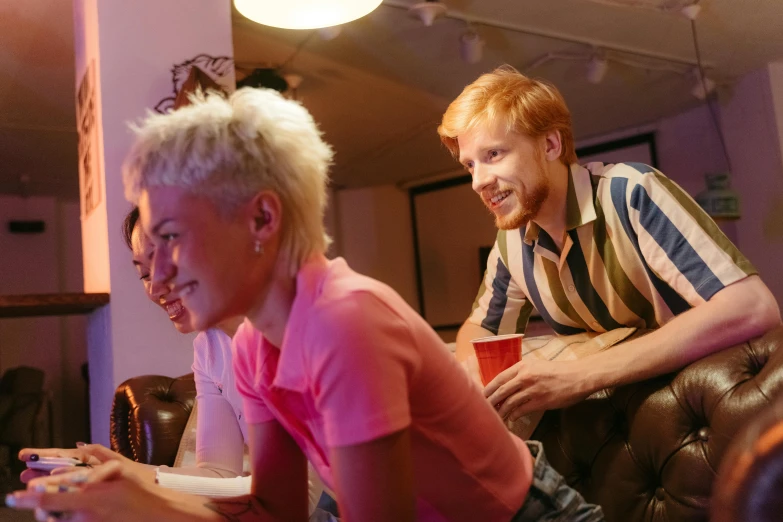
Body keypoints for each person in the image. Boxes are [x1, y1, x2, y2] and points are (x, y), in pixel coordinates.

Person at [8, 88, 602, 521]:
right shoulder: (250, 347)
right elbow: (274, 510)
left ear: (262, 219)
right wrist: (137, 500)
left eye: (172, 238)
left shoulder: (345, 323)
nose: (158, 275)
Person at [437, 66, 781, 423]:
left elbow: (752, 306)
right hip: (629, 419)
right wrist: (470, 377)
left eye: (493, 154)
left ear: (550, 145)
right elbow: (482, 333)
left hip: (720, 409)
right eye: (469, 165)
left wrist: (580, 375)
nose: (478, 181)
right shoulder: (511, 241)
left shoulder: (630, 192)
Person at [17, 207, 327, 517]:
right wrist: (121, 471)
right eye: (145, 273)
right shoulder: (210, 347)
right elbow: (218, 473)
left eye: (167, 262)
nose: (154, 288)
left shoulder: (296, 332)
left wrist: (139, 489)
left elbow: (296, 499)